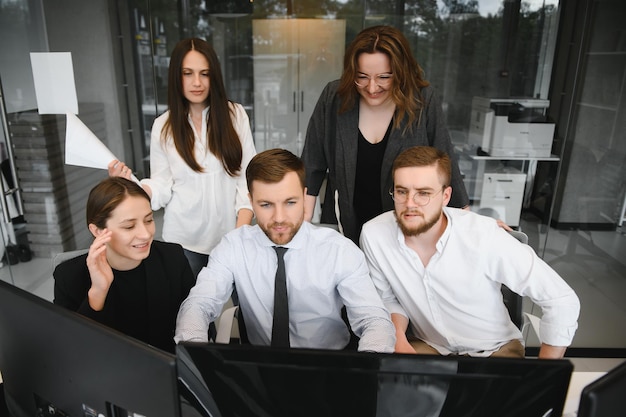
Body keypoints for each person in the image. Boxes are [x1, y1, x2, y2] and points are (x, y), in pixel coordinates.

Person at [360, 146, 580, 359]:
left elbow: (561, 299)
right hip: (431, 346)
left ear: (446, 196)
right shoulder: (375, 234)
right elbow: (387, 298)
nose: (409, 204)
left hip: (494, 349)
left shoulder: (484, 235)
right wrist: (399, 338)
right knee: (382, 389)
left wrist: (545, 376)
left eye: (423, 193)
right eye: (401, 192)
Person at [175, 148, 396, 352]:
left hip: (328, 365)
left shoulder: (339, 250)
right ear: (250, 201)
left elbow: (374, 320)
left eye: (290, 202)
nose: (279, 218)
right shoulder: (233, 247)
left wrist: (368, 367)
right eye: (266, 205)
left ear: (304, 196)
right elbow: (199, 304)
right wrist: (193, 354)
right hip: (260, 366)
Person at [301, 25, 469, 244]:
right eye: (362, 77)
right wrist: (301, 226)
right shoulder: (335, 97)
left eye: (384, 77)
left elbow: (446, 163)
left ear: (401, 72)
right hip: (345, 222)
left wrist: (471, 226)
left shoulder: (422, 100)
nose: (372, 87)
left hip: (404, 227)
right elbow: (312, 164)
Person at [110, 37, 256, 277]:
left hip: (231, 236)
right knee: (191, 312)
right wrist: (131, 186)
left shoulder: (235, 115)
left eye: (204, 73)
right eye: (188, 73)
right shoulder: (163, 126)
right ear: (176, 77)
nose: (196, 82)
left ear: (214, 76)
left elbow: (248, 178)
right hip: (183, 241)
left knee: (246, 309)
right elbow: (162, 185)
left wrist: (240, 232)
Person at [53, 177, 195, 354]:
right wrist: (98, 291)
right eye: (129, 226)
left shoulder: (172, 258)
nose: (145, 234)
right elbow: (71, 347)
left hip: (165, 367)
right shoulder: (69, 276)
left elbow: (194, 319)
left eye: (149, 220)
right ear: (98, 231)